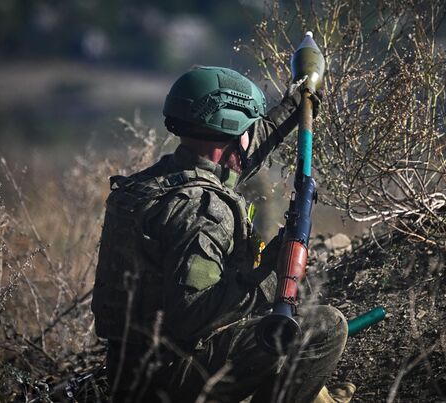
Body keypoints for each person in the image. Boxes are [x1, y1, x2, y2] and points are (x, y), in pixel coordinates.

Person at [91, 66, 353, 402]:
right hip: (169, 383)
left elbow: (241, 154)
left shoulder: (156, 182)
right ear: (230, 131)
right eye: (246, 128)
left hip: (131, 373)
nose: (250, 136)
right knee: (326, 327)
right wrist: (271, 273)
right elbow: (193, 317)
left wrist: (297, 104)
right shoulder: (203, 210)